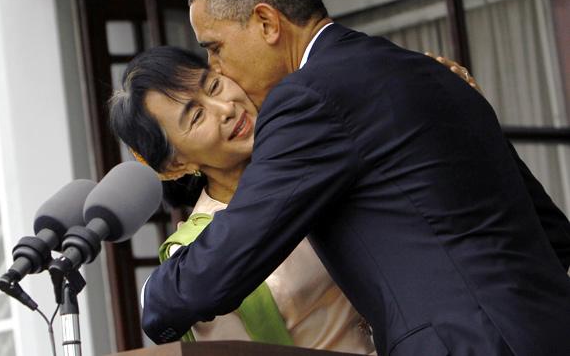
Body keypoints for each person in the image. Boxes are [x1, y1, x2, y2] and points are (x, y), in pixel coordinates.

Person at [140, 0, 570, 356]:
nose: (218, 67)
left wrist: (153, 297)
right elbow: (553, 233)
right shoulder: (431, 71)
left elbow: (226, 263)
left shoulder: (307, 99)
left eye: (215, 48)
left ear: (267, 23)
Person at [109, 46, 376, 353]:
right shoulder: (195, 256)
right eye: (196, 116)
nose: (225, 108)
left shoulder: (312, 148)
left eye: (213, 86)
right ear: (175, 165)